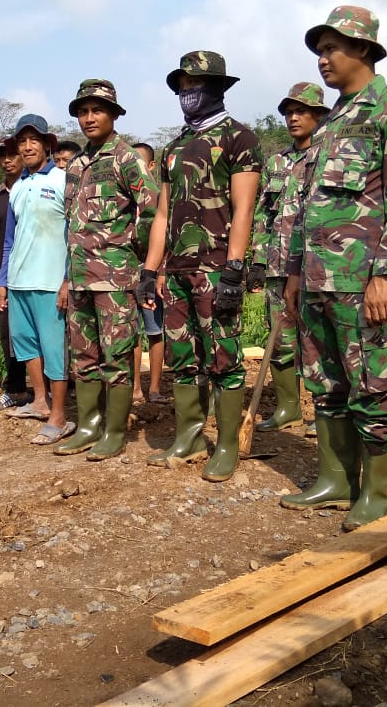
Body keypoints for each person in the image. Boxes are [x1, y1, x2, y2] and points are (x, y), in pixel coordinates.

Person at [282, 5, 387, 530]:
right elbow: (307, 206)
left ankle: (375, 490)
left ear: (364, 49)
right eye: (320, 50)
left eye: (332, 48)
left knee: (373, 380)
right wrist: (295, 270)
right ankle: (334, 479)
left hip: (361, 277)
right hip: (318, 276)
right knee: (324, 381)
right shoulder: (330, 124)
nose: (324, 59)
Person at [139, 51, 263, 482]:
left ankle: (226, 443)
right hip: (175, 271)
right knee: (182, 356)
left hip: (215, 267)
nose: (187, 94)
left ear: (216, 88)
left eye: (194, 86)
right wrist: (149, 270)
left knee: (224, 357)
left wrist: (234, 268)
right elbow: (161, 214)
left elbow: (244, 209)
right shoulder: (174, 147)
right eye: (181, 87)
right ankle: (189, 437)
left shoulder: (239, 138)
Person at [55, 80, 158, 460]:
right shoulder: (77, 165)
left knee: (116, 355)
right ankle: (87, 425)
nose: (88, 118)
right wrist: (67, 275)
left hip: (115, 277)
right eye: (83, 111)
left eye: (97, 110)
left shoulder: (126, 158)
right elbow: (72, 224)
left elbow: (150, 209)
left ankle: (114, 431)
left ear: (113, 114)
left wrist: (134, 254)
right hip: (80, 277)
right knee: (83, 356)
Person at [247, 83, 329, 439]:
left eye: (301, 111)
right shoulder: (277, 162)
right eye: (288, 112)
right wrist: (258, 259)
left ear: (319, 116)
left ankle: (323, 413)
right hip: (279, 267)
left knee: (319, 341)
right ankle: (287, 409)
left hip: (317, 270)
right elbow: (263, 215)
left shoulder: (328, 156)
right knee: (279, 339)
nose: (293, 118)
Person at [0, 114, 74, 445]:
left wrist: (68, 279)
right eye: (21, 142)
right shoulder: (17, 189)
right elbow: (9, 240)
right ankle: (39, 402)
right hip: (20, 281)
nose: (27, 147)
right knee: (26, 346)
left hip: (50, 281)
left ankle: (59, 416)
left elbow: (74, 234)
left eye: (33, 141)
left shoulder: (63, 181)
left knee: (54, 349)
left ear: (46, 145)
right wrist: (2, 281)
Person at [0, 136, 31, 412]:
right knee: (9, 334)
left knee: (42, 332)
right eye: (2, 155)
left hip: (39, 273)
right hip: (8, 276)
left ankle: (48, 389)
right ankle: (15, 389)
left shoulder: (37, 187)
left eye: (12, 154)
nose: (7, 159)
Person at [131, 142, 167, 406]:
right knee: (131, 333)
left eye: (141, 163)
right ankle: (134, 388)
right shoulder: (122, 196)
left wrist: (161, 271)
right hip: (124, 271)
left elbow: (167, 236)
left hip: (152, 272)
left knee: (155, 331)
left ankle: (154, 387)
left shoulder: (159, 196)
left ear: (151, 166)